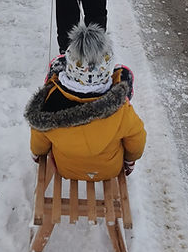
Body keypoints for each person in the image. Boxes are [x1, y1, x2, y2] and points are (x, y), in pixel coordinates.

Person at [24, 22, 146, 181]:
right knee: (123, 78)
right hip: (109, 169)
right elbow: (137, 139)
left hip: (66, 168)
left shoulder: (49, 104)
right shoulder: (121, 109)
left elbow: (39, 142)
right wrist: (130, 160)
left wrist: (37, 154)